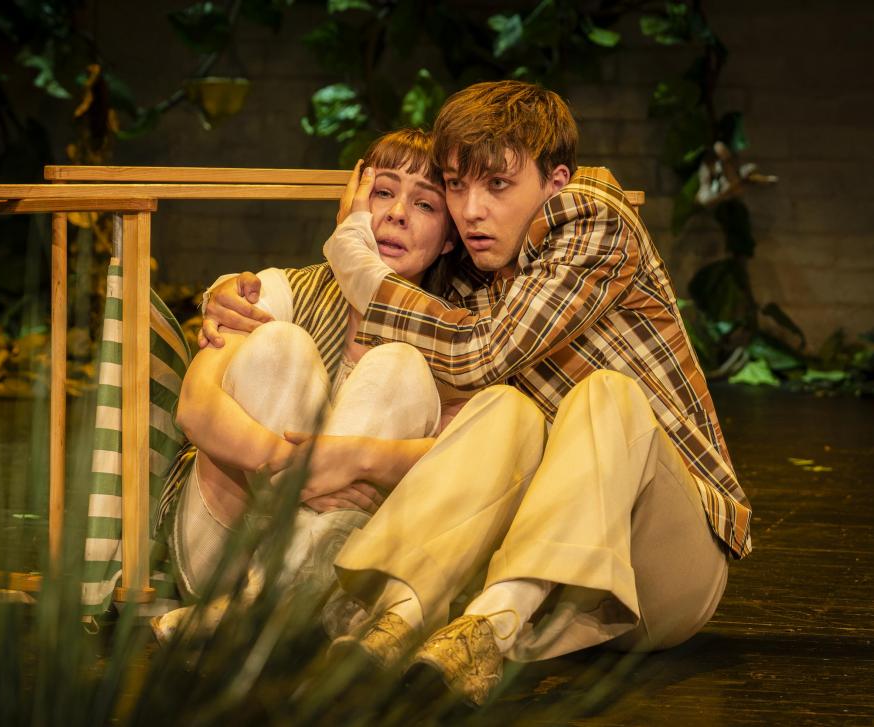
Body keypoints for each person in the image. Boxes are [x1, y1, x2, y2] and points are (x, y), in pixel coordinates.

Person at [205, 80, 752, 706]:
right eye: (457, 186)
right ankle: (400, 617)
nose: (471, 211)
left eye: (497, 185)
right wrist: (231, 293)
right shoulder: (468, 276)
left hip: (663, 567)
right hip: (553, 595)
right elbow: (436, 386)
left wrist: (354, 253)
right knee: (504, 408)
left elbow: (481, 353)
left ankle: (491, 625)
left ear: (554, 182)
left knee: (606, 394)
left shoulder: (591, 220)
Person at [151, 129, 464, 642]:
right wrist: (298, 467)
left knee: (400, 364)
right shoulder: (282, 289)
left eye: (425, 204)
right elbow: (195, 406)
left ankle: (261, 604)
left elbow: (461, 457)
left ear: (449, 235)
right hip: (225, 554)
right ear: (351, 201)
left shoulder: (455, 331)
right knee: (282, 344)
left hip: (347, 582)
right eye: (383, 192)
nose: (397, 214)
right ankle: (262, 595)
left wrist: (358, 458)